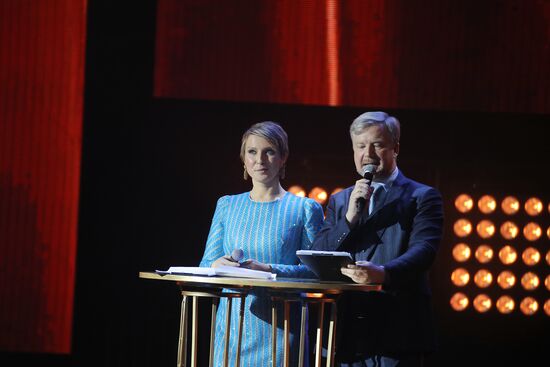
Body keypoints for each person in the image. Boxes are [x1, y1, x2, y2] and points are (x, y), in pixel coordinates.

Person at [312, 111, 444, 367]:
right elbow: (320, 253)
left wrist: (383, 273)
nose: (368, 155)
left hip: (398, 331)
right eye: (361, 146)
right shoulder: (342, 200)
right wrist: (349, 218)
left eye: (378, 145)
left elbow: (424, 250)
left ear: (395, 148)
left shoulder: (422, 197)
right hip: (347, 332)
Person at [199, 121, 324, 367]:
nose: (260, 159)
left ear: (283, 157)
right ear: (243, 159)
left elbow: (316, 271)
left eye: (269, 151)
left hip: (282, 328)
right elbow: (205, 264)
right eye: (252, 152)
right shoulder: (227, 205)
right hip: (234, 327)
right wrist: (217, 263)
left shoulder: (305, 208)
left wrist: (269, 270)